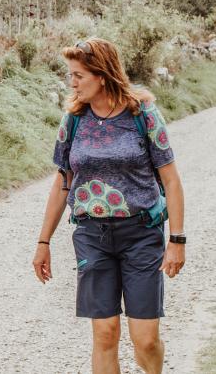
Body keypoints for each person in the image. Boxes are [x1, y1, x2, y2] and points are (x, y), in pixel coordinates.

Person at [31, 37, 187, 374]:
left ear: (102, 75)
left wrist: (176, 240)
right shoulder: (73, 119)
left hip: (141, 234)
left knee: (145, 339)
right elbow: (62, 182)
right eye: (70, 75)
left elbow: (171, 180)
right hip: (91, 235)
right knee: (105, 333)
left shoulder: (142, 114)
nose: (71, 83)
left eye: (78, 75)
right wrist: (43, 242)